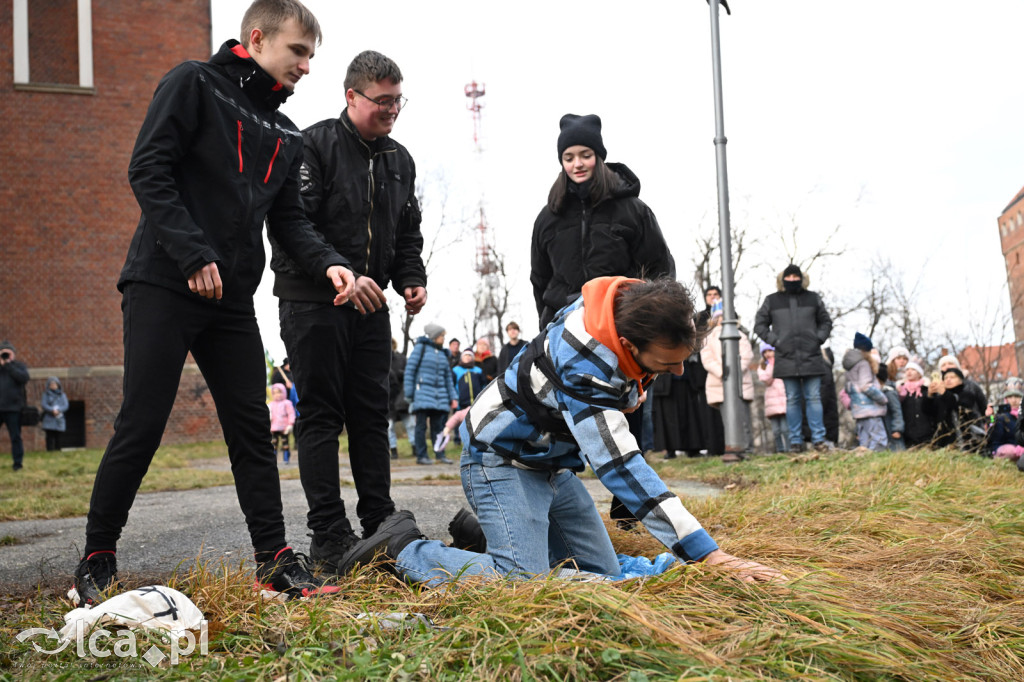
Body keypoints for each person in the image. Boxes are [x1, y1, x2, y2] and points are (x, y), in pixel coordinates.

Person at [72, 0, 356, 606]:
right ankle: (97, 555)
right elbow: (148, 169)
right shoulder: (193, 82)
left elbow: (290, 221)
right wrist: (192, 253)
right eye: (298, 52)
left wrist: (328, 260)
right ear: (257, 39)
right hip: (163, 279)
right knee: (142, 422)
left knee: (252, 428)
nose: (307, 66)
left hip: (229, 298)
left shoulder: (285, 132)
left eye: (311, 55)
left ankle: (274, 558)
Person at [340, 277, 784, 586]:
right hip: (500, 460)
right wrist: (708, 554)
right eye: (667, 363)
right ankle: (403, 549)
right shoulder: (587, 370)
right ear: (629, 345)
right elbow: (622, 467)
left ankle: (487, 537)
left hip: (552, 465)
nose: (678, 370)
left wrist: (636, 384)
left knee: (604, 576)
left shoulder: (621, 309)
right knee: (522, 583)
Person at [269, 48, 426, 575]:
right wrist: (336, 268)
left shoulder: (400, 160)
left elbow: (407, 233)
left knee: (369, 414)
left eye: (398, 101)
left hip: (372, 306)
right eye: (382, 101)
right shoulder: (311, 145)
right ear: (351, 96)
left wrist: (411, 278)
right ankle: (329, 534)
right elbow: (293, 223)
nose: (391, 110)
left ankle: (380, 520)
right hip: (312, 300)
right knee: (320, 415)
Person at [531, 113, 675, 527]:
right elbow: (540, 279)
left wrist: (645, 325)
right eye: (569, 156)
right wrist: (546, 328)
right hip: (567, 334)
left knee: (626, 412)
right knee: (563, 420)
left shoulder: (632, 210)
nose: (577, 164)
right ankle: (564, 506)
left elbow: (660, 268)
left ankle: (630, 503)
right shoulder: (548, 217)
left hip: (620, 330)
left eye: (586, 155)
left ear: (599, 156)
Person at [753, 265, 834, 453]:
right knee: (792, 399)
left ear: (801, 278)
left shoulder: (813, 298)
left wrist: (818, 339)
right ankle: (795, 442)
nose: (791, 279)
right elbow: (759, 325)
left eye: (795, 276)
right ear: (782, 279)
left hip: (811, 355)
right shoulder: (772, 301)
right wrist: (776, 342)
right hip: (786, 356)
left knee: (814, 397)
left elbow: (826, 321)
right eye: (788, 276)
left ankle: (818, 440)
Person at [700, 306, 755, 461]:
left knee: (743, 417)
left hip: (740, 383)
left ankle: (747, 448)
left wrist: (736, 371)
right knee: (727, 418)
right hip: (719, 384)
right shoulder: (708, 338)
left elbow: (746, 356)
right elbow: (707, 359)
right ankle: (732, 446)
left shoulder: (740, 336)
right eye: (719, 318)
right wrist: (722, 372)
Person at [405, 323, 458, 465]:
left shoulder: (442, 353)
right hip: (422, 394)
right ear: (434, 336)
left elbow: (447, 378)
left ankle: (440, 454)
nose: (443, 338)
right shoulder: (420, 348)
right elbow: (410, 370)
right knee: (421, 427)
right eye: (442, 336)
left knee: (439, 428)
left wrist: (453, 397)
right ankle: (421, 456)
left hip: (440, 397)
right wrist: (409, 393)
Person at [839, 334, 888, 452]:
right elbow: (865, 386)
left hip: (859, 409)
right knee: (878, 440)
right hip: (870, 408)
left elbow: (849, 387)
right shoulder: (863, 364)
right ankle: (880, 463)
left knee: (865, 441)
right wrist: (882, 398)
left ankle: (864, 462)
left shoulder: (850, 365)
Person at [435, 349, 486, 452]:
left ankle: (474, 440)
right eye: (465, 355)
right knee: (458, 421)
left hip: (476, 402)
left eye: (470, 356)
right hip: (461, 401)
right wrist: (453, 398)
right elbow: (451, 385)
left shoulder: (478, 370)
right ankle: (458, 440)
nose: (467, 357)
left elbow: (483, 385)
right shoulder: (456, 370)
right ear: (461, 358)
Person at [930, 367, 985, 452]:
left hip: (965, 439)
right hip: (944, 441)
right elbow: (928, 411)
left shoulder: (966, 394)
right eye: (945, 378)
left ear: (961, 380)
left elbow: (956, 403)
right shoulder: (939, 397)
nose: (948, 380)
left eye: (952, 377)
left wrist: (944, 393)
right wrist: (929, 395)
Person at [0, 341, 30, 470]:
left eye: (8, 353)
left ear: (13, 354)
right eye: (3, 353)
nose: (6, 355)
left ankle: (17, 463)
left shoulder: (18, 366)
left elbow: (24, 378)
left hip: (13, 409)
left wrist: (9, 365)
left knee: (15, 437)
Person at [757, 343, 789, 454]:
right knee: (776, 430)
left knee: (785, 429)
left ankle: (789, 449)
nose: (767, 354)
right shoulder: (763, 366)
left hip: (784, 400)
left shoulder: (783, 362)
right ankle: (780, 450)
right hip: (772, 403)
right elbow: (766, 379)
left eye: (769, 351)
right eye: (764, 352)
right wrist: (771, 366)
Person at [387, 338, 415, 460]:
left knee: (410, 424)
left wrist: (400, 373)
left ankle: (415, 448)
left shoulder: (402, 358)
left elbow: (409, 374)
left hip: (402, 397)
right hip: (388, 398)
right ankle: (393, 450)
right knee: (389, 426)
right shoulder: (380, 358)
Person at [898, 361, 936, 448]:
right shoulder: (901, 390)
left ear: (919, 373)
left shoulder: (927, 389)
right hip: (907, 434)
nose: (909, 372)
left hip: (926, 433)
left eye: (913, 369)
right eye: (907, 370)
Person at [877, 361, 905, 451]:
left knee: (896, 450)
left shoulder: (889, 392)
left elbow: (897, 411)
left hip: (891, 429)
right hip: (880, 430)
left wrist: (897, 428)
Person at [268, 383, 296, 464]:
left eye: (279, 392)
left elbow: (291, 413)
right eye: (275, 393)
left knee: (285, 442)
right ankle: (273, 459)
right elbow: (269, 414)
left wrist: (290, 424)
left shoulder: (287, 403)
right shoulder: (271, 404)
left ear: (283, 392)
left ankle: (286, 458)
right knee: (274, 443)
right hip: (274, 428)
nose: (277, 395)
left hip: (284, 427)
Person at [40, 376, 70, 452]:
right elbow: (44, 404)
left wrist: (59, 410)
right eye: (51, 384)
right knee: (50, 436)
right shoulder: (46, 395)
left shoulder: (62, 395)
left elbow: (65, 405)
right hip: (49, 417)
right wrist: (52, 410)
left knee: (59, 436)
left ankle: (58, 449)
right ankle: (50, 450)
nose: (53, 386)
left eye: (54, 384)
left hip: (59, 418)